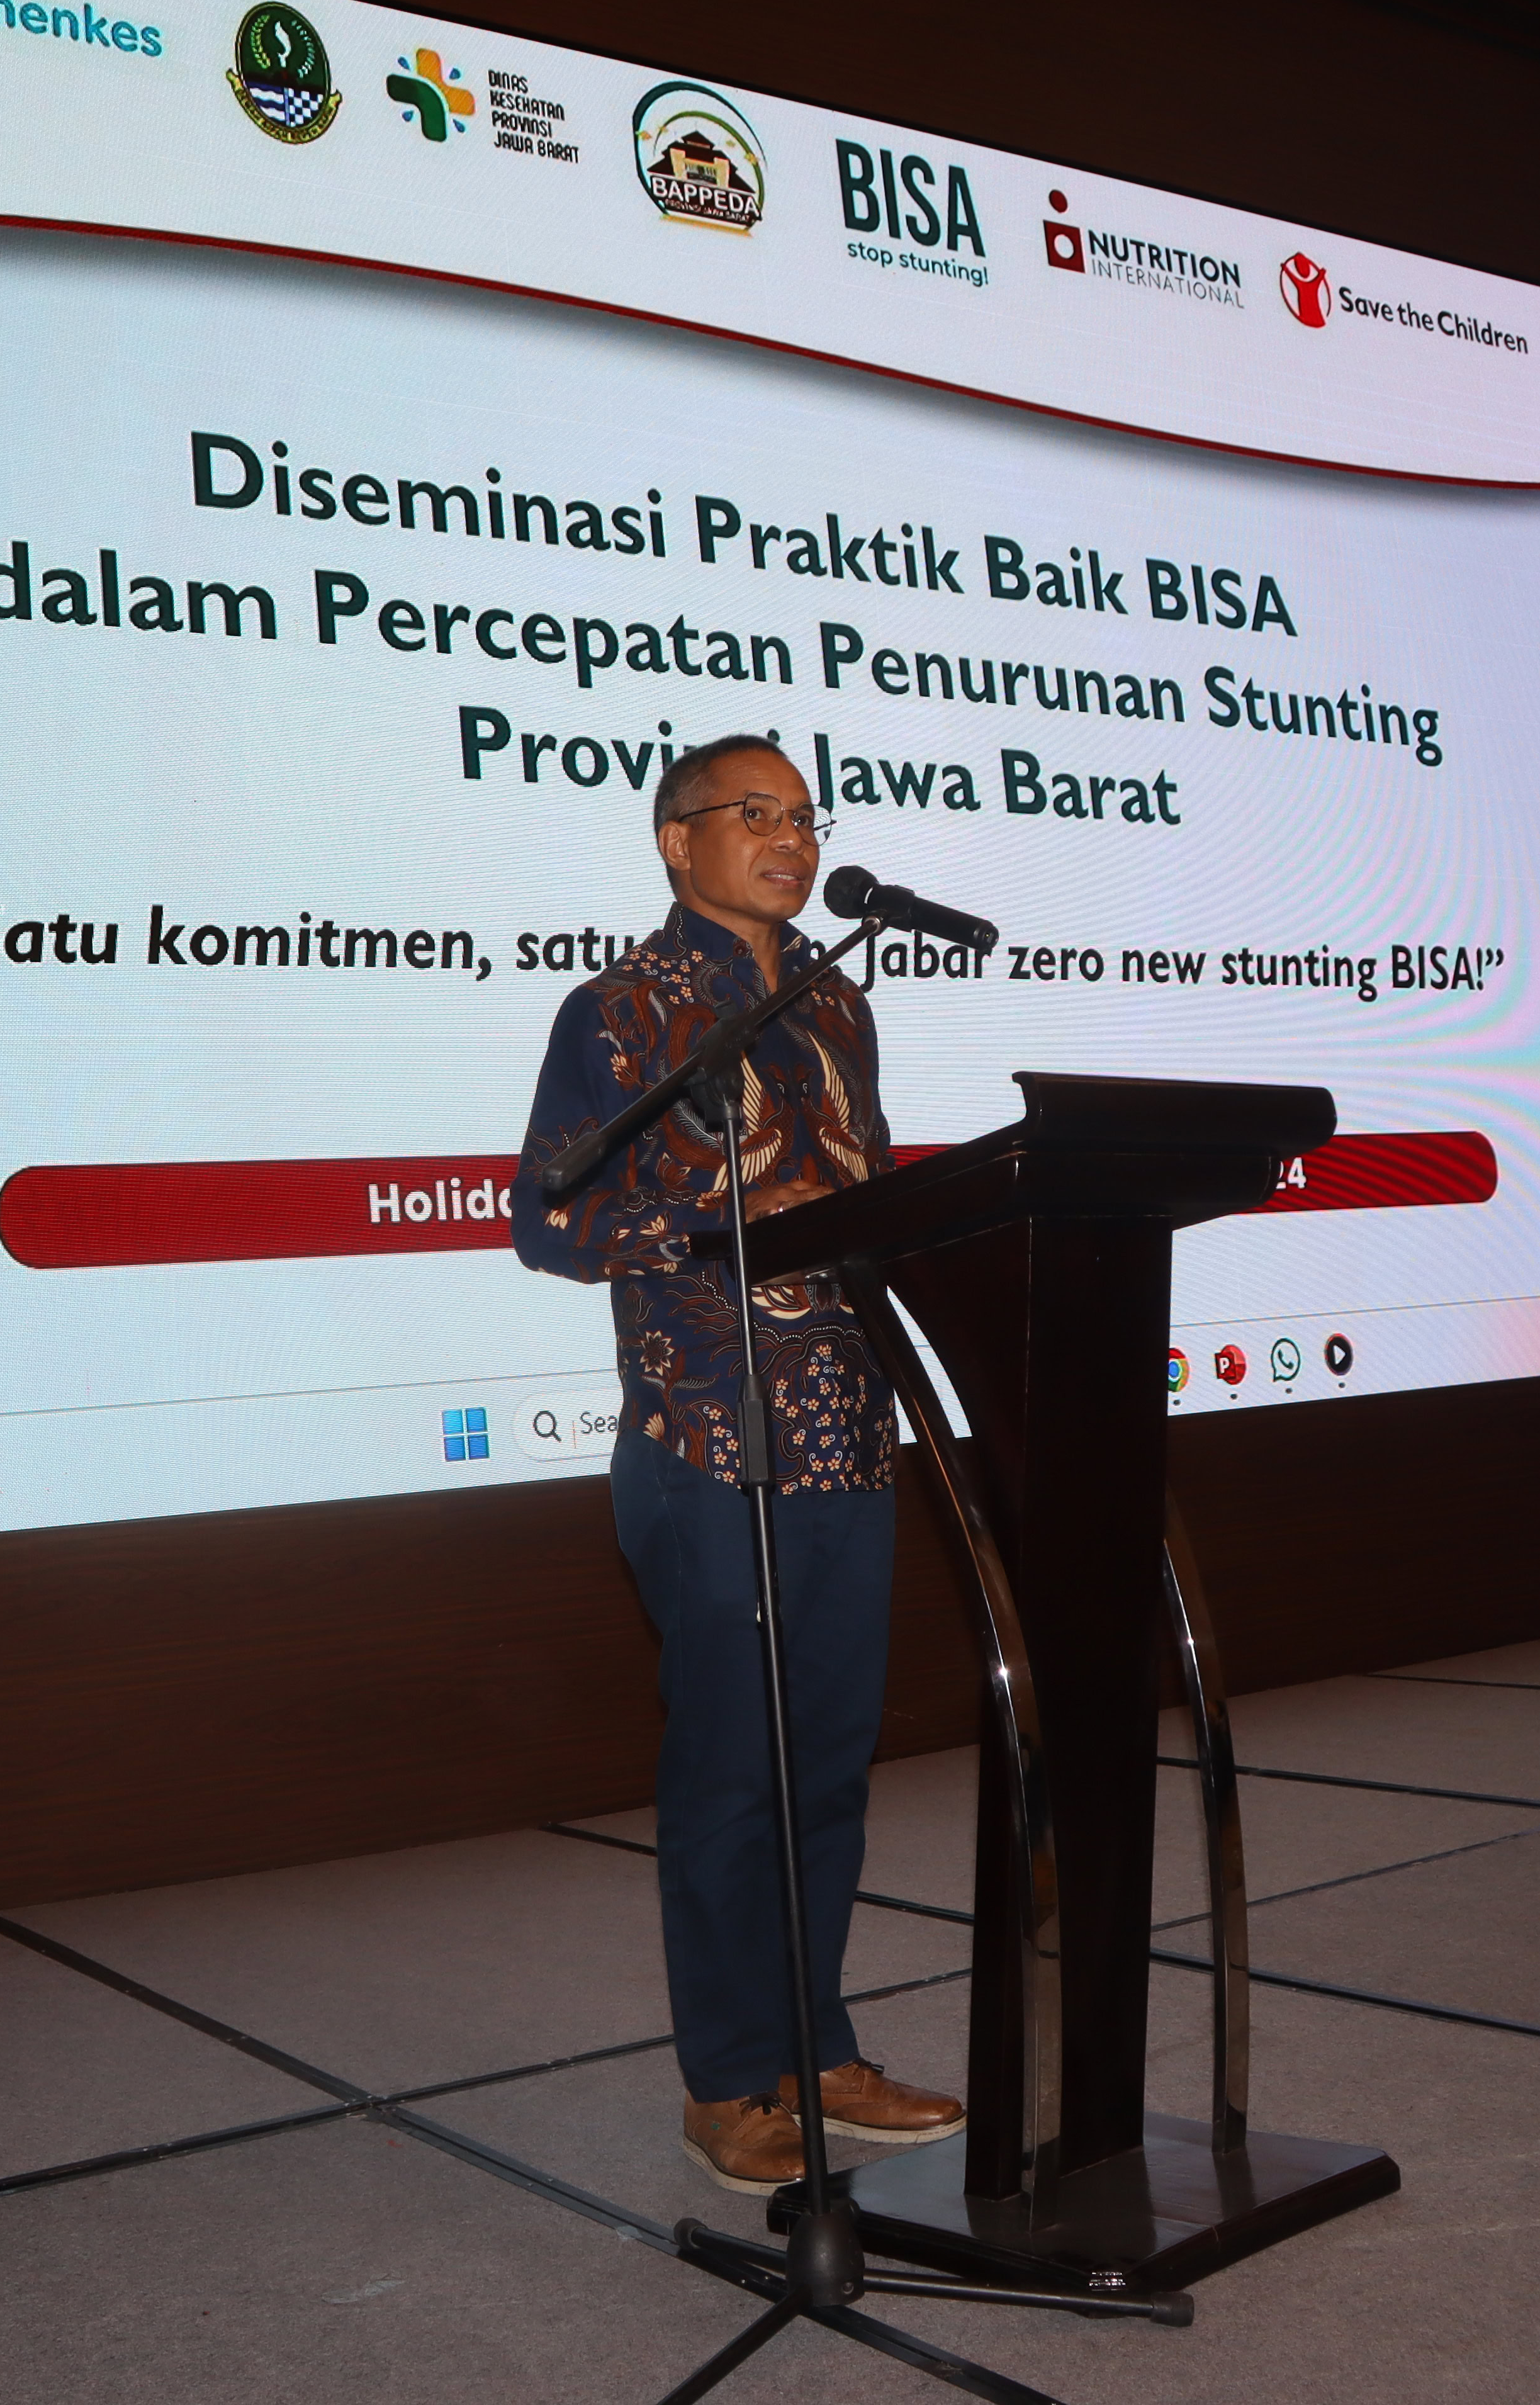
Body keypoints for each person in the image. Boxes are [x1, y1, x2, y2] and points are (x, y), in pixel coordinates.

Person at [511, 732, 967, 2194]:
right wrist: (717, 1215)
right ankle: (727, 2083)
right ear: (675, 840)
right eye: (752, 811)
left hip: (845, 1426)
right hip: (710, 1432)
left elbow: (863, 1188)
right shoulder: (626, 1010)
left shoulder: (838, 1002)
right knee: (730, 1768)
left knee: (826, 1762)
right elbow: (551, 1220)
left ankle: (816, 2048)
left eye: (804, 813)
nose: (789, 835)